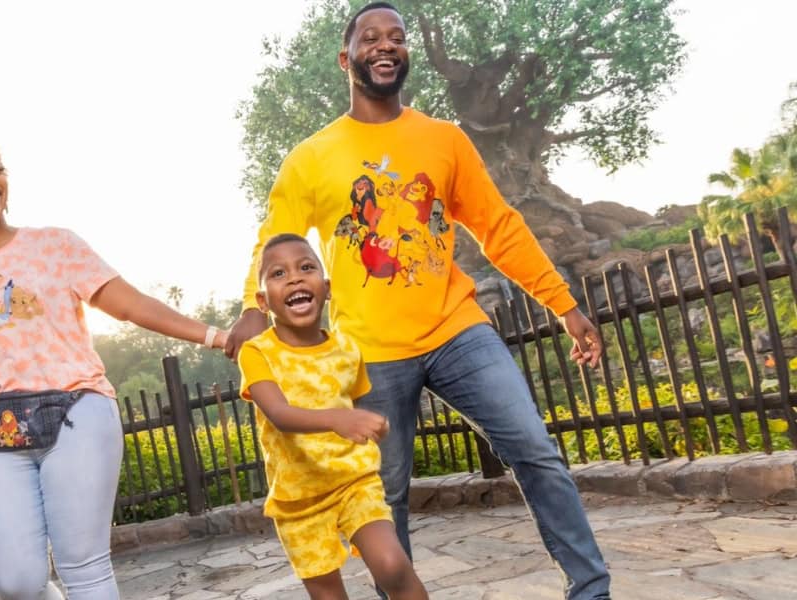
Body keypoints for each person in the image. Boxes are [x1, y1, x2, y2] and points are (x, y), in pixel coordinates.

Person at [224, 3, 611, 599]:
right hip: (369, 353)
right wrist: (255, 305)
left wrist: (563, 303)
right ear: (345, 57)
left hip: (458, 331)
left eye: (397, 38)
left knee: (535, 451)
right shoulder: (311, 156)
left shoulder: (443, 139)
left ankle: (592, 590)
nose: (386, 45)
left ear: (405, 55)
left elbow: (498, 226)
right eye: (370, 37)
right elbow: (272, 240)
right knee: (387, 495)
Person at [0, 129, 228, 600]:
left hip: (76, 412)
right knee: (16, 583)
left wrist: (213, 335)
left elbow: (129, 305)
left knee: (84, 566)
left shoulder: (55, 245)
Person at [238, 233, 428, 600]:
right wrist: (338, 420)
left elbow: (354, 405)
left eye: (306, 267)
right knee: (328, 595)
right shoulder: (257, 353)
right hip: (298, 500)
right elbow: (279, 414)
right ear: (263, 301)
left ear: (326, 288)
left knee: (392, 564)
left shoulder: (346, 349)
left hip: (354, 482)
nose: (294, 278)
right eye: (278, 274)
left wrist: (363, 422)